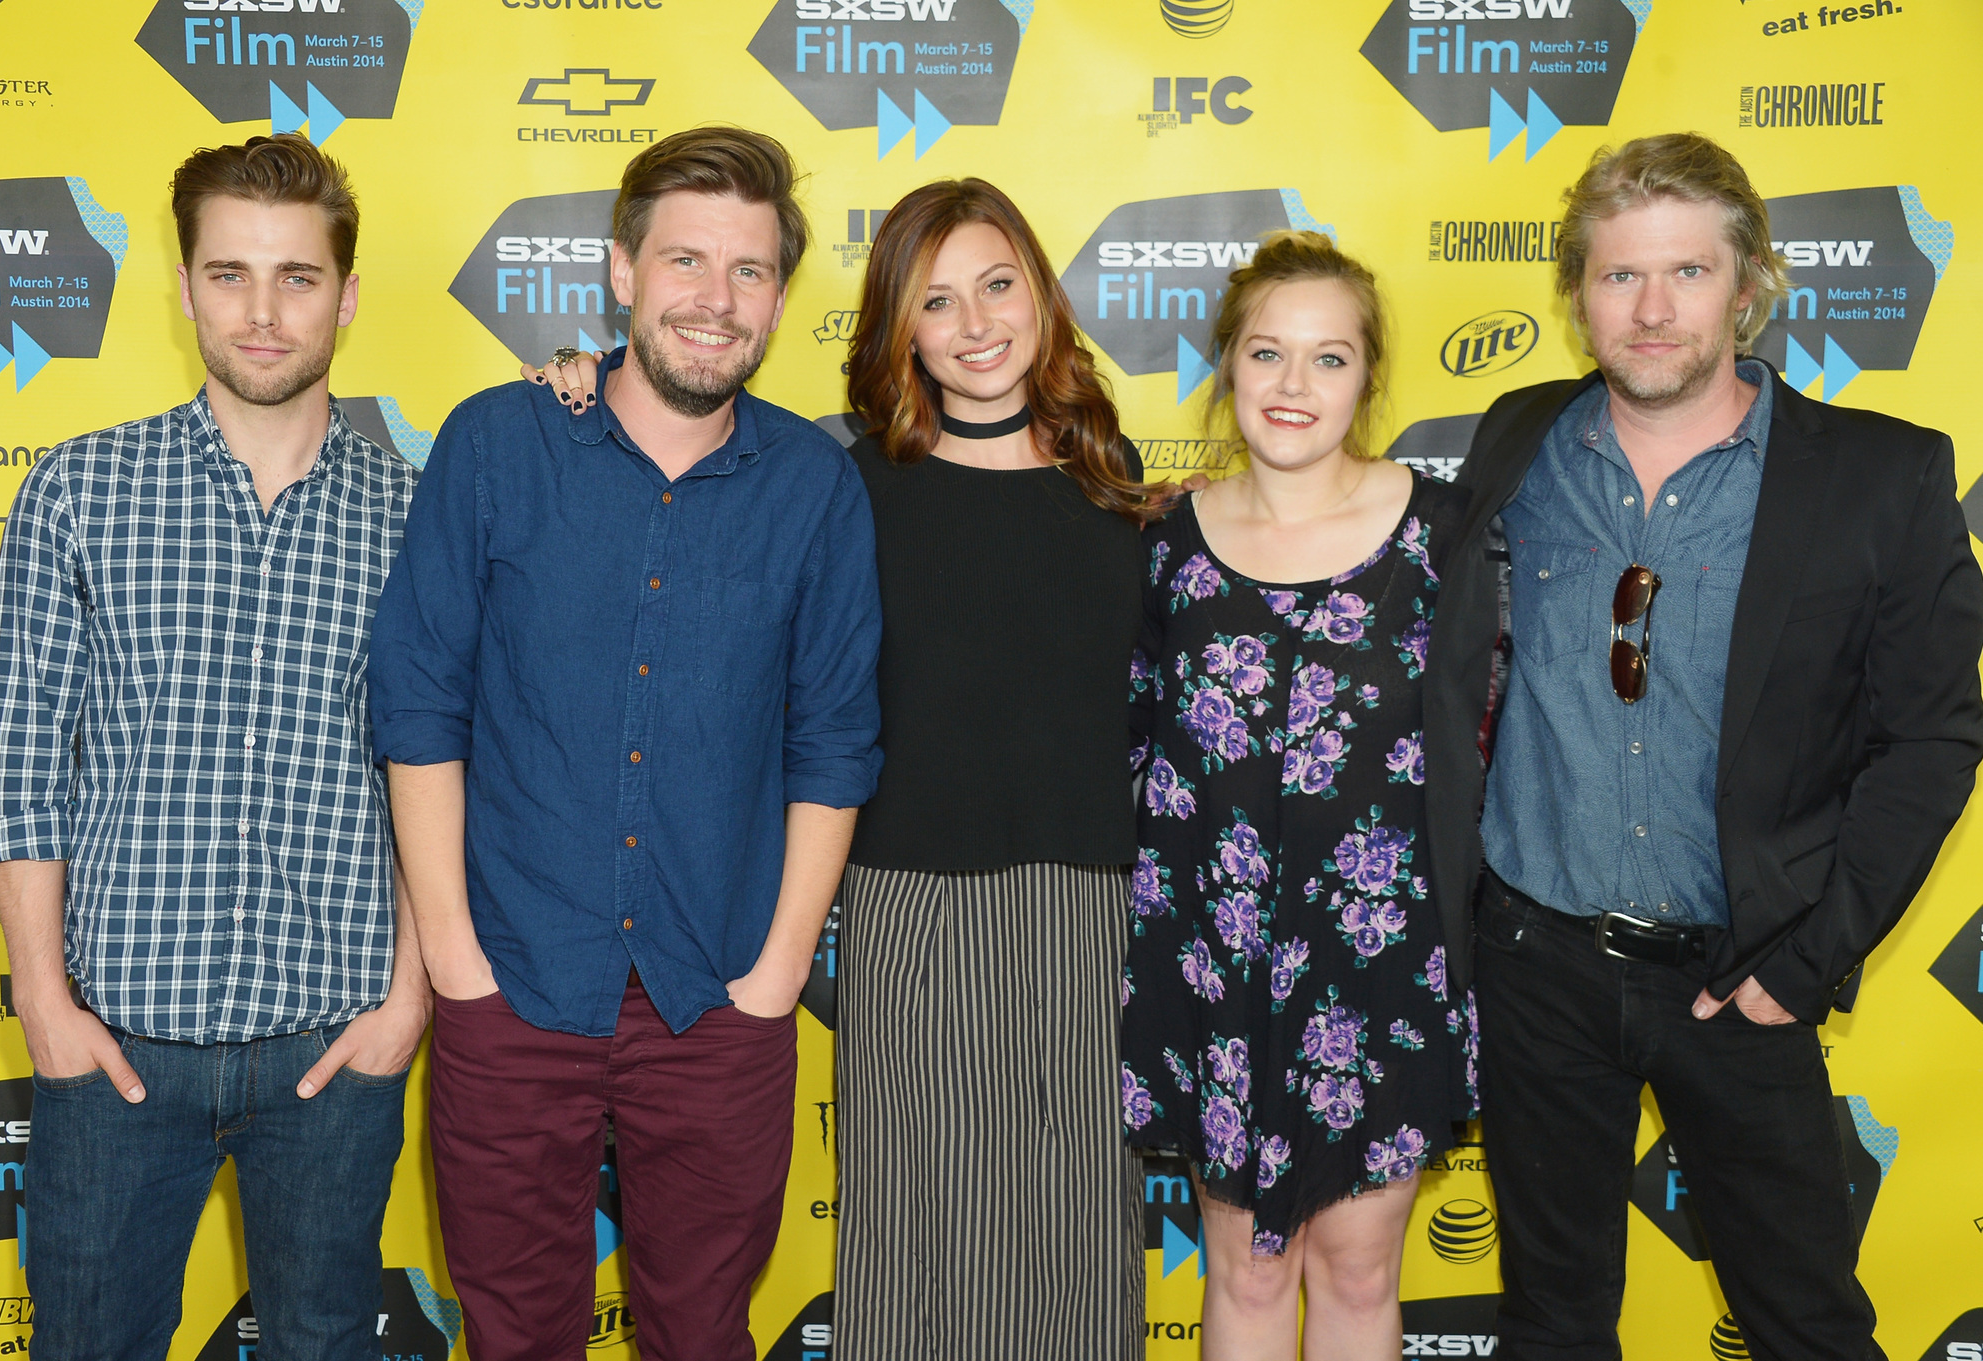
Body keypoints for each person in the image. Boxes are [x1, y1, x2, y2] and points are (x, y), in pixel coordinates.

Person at [533, 175, 1151, 1361]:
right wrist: (574, 369)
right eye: (934, 300)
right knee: (910, 1230)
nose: (973, 323)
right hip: (902, 902)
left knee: (1077, 1232)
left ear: (1041, 293)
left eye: (996, 285)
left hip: (1083, 909)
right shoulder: (845, 483)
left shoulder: (1109, 476)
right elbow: (665, 452)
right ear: (896, 329)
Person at [1425, 132, 1983, 1360]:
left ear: (1747, 284)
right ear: (1577, 293)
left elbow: (1932, 737)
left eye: (1685, 271)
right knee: (1551, 1319)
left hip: (1742, 971)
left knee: (1805, 1319)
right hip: (1536, 964)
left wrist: (1805, 961)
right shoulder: (1516, 444)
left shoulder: (1881, 477)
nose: (1652, 307)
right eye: (1618, 275)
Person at [368, 126, 882, 1361]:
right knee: (515, 1335)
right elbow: (420, 701)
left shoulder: (814, 484)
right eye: (685, 261)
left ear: (776, 295)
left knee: (702, 1334)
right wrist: (453, 954)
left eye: (748, 271)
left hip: (718, 997)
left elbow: (834, 738)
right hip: (512, 981)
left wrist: (773, 980)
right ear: (619, 269)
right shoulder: (497, 443)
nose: (714, 300)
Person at [0, 134, 426, 1360]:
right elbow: (17, 765)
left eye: (297, 276)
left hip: (333, 1048)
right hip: (115, 1047)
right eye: (228, 274)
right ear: (181, 286)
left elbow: (443, 778)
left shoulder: (417, 515)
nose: (263, 312)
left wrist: (406, 1000)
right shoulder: (78, 490)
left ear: (347, 293)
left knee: (326, 1342)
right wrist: (46, 1005)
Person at [1123, 231, 1478, 1361]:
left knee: (1358, 1267)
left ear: (1368, 377)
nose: (1292, 385)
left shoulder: (1447, 537)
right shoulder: (1160, 542)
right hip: (1212, 966)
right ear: (1224, 364)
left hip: (1382, 962)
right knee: (1247, 1267)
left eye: (1327, 358)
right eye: (1266, 353)